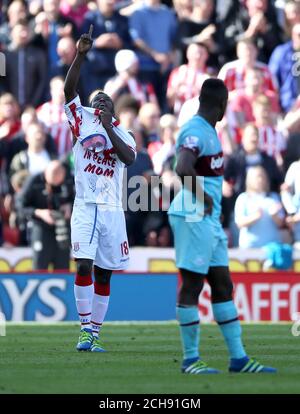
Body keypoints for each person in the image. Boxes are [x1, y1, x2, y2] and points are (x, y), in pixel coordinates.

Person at [168, 78, 276, 374]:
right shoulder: (195, 130)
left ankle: (238, 359)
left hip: (207, 219)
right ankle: (190, 360)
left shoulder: (209, 132)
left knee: (222, 284)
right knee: (192, 284)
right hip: (193, 214)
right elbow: (182, 166)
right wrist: (203, 199)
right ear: (223, 105)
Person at [63, 25, 136, 352]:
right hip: (85, 205)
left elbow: (129, 159)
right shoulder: (82, 120)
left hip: (111, 209)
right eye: (97, 100)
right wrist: (80, 55)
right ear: (92, 107)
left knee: (105, 275)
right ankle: (83, 330)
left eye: (107, 101)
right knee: (83, 264)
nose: (102, 102)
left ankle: (95, 332)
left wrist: (110, 127)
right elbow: (68, 89)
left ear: (114, 109)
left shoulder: (124, 132)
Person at [17, 160, 74, 270]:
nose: (55, 184)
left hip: (62, 227)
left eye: (59, 177)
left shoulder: (69, 180)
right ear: (46, 173)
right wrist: (39, 212)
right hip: (41, 226)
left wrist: (69, 207)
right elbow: (19, 205)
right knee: (39, 266)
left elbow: (80, 201)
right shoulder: (35, 180)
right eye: (53, 177)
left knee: (63, 268)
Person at [234, 166, 284, 249]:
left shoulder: (273, 197)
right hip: (250, 247)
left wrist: (274, 216)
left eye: (262, 176)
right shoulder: (243, 198)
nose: (260, 180)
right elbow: (239, 223)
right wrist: (254, 217)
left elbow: (281, 224)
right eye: (257, 177)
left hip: (272, 247)